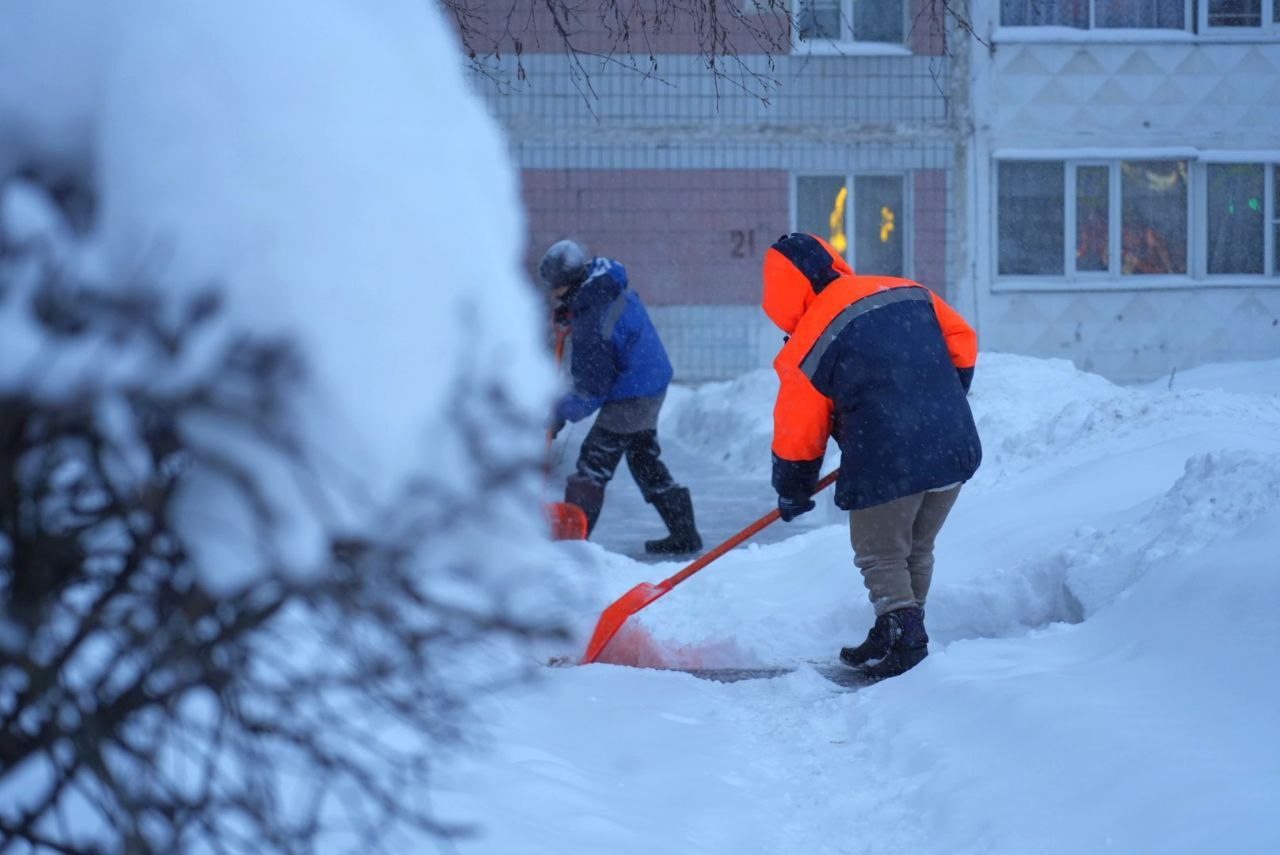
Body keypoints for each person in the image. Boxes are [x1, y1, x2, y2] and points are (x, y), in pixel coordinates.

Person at [761, 232, 981, 679]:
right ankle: (895, 628)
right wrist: (939, 399)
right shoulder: (905, 290)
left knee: (881, 554)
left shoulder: (808, 340)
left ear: (782, 289)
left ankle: (907, 641)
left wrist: (793, 486)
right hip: (952, 444)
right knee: (915, 548)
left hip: (887, 459)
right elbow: (962, 339)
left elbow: (799, 431)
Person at [540, 239, 703, 554]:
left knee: (593, 464)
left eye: (554, 287)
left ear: (567, 282)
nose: (552, 294)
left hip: (633, 392)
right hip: (649, 378)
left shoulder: (593, 320)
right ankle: (685, 535)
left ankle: (572, 545)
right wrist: (571, 312)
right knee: (644, 460)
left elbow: (593, 386)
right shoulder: (602, 283)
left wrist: (560, 414)